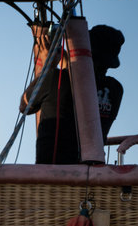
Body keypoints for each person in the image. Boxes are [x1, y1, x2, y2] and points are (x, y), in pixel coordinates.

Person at [20, 23, 124, 164]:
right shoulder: (115, 90)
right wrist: (69, 61)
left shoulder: (55, 79)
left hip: (52, 173)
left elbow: (25, 106)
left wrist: (48, 67)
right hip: (92, 171)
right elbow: (79, 89)